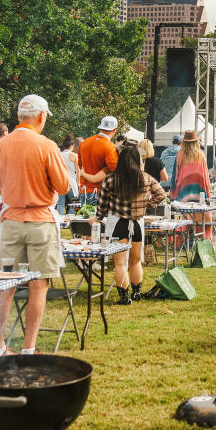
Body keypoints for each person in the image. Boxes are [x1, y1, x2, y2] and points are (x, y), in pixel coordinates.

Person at [0, 94, 70, 354]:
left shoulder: (1, 145)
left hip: (10, 220)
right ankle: (29, 348)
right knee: (39, 285)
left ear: (19, 116)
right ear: (41, 116)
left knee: (6, 285)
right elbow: (64, 186)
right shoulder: (46, 145)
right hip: (41, 221)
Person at [95, 142, 167, 304]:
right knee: (135, 261)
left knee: (120, 263)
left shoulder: (111, 178)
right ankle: (136, 293)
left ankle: (124, 297)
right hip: (137, 224)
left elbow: (102, 205)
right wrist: (147, 205)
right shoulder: (146, 178)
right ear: (137, 160)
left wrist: (98, 217)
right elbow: (161, 194)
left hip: (117, 224)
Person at [78, 116, 120, 206]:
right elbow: (116, 170)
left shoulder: (84, 143)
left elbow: (80, 166)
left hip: (84, 191)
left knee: (84, 219)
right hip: (101, 192)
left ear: (100, 127)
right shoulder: (110, 146)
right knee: (101, 220)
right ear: (114, 130)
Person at [58, 136, 80, 214]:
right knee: (75, 204)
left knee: (60, 203)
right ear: (72, 145)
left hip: (60, 182)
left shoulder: (58, 155)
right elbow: (77, 170)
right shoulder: (74, 155)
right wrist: (78, 182)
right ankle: (69, 219)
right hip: (71, 182)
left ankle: (61, 222)